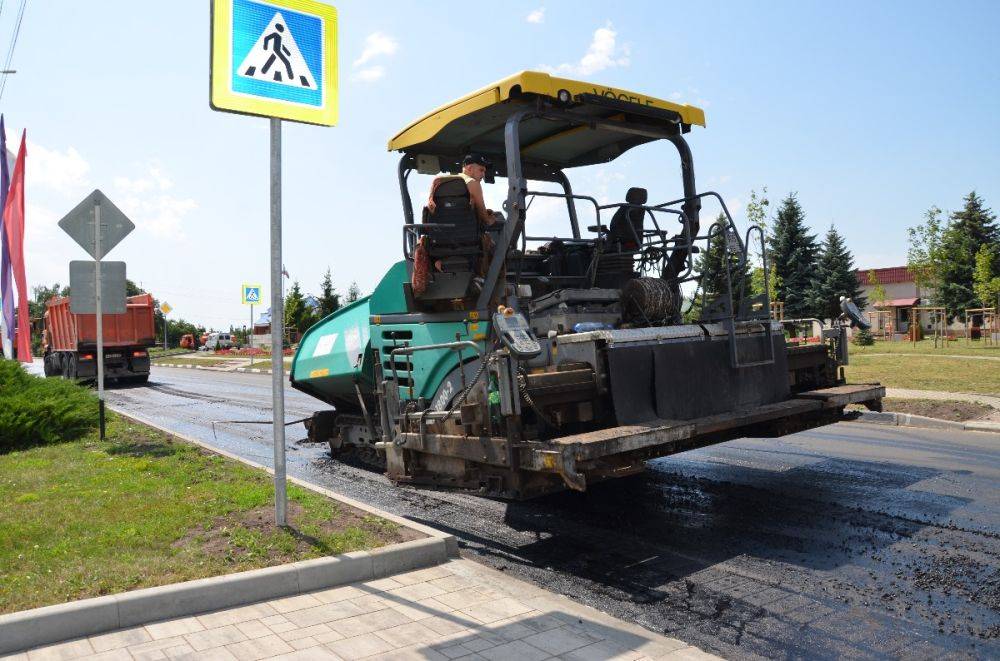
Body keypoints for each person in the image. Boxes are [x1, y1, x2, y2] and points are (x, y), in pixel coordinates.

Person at [413, 154, 499, 296]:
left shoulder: (438, 182)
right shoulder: (473, 183)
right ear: (470, 168)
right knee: (497, 248)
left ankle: (437, 264)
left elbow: (432, 211)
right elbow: (483, 216)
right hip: (469, 244)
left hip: (438, 244)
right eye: (481, 170)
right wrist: (492, 220)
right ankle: (490, 282)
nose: (483, 175)